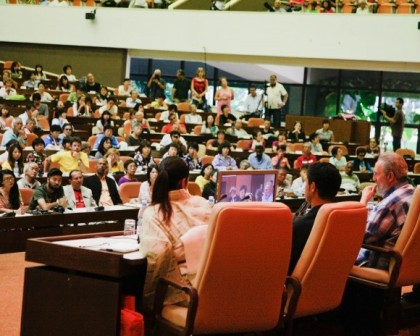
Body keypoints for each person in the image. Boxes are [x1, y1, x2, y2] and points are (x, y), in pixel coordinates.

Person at [139, 156, 212, 309]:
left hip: (187, 293)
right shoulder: (204, 204)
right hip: (215, 286)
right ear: (185, 182)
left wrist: (148, 297)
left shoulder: (153, 213)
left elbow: (159, 253)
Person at [356, 152, 415, 269]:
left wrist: (363, 202)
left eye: (376, 174)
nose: (373, 179)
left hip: (377, 264)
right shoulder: (412, 193)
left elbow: (360, 236)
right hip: (406, 266)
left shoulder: (390, 204)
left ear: (390, 176)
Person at [288, 162, 342, 274]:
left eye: (306, 182)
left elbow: (287, 266)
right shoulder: (342, 220)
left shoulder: (301, 227)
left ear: (312, 187)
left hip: (296, 286)